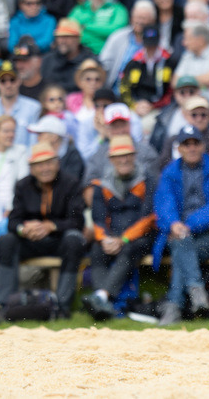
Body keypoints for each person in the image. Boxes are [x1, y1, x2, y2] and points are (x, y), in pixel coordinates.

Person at [152, 125, 209, 326]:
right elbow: (164, 203)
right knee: (181, 242)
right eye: (186, 144)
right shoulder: (170, 171)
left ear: (203, 145)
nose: (191, 148)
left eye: (195, 143)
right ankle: (196, 291)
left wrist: (186, 225)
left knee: (180, 245)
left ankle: (174, 305)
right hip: (180, 232)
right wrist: (173, 223)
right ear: (179, 148)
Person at [0, 142, 85, 319]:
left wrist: (52, 226)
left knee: (74, 239)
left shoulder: (71, 183)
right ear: (32, 168)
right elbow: (13, 221)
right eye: (39, 164)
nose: (45, 168)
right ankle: (5, 305)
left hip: (59, 241)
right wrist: (24, 229)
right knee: (7, 240)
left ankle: (62, 306)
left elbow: (77, 221)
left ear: (58, 163)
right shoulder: (22, 185)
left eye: (49, 163)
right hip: (31, 241)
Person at [82, 135, 156, 321]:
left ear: (134, 156)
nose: (123, 160)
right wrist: (104, 239)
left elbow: (149, 218)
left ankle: (101, 297)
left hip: (139, 237)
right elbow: (98, 219)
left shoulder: (147, 180)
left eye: (127, 155)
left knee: (128, 249)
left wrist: (123, 238)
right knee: (97, 250)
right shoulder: (102, 185)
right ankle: (103, 301)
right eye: (118, 156)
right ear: (111, 159)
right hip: (112, 236)